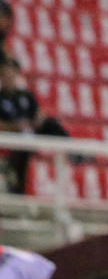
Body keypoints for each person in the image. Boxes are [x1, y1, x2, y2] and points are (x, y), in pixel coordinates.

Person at [1, 57, 72, 193]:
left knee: (52, 124)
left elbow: (39, 114)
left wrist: (35, 123)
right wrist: (15, 127)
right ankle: (19, 190)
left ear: (16, 75)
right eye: (5, 75)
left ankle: (74, 153)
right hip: (11, 139)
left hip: (30, 133)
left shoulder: (26, 95)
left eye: (11, 75)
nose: (8, 78)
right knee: (23, 150)